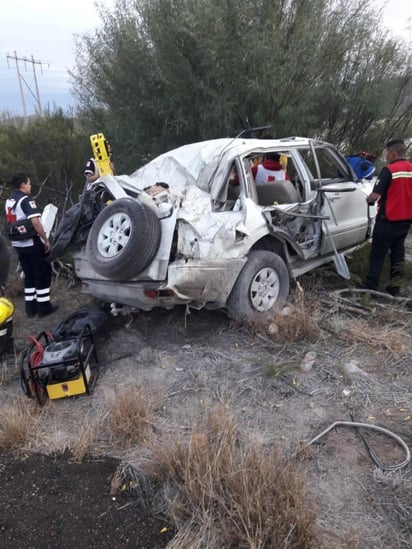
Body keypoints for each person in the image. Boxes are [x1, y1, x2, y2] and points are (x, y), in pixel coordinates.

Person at [5, 172, 58, 317]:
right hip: (31, 243)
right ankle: (44, 307)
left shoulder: (9, 201)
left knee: (29, 275)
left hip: (17, 244)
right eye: (28, 183)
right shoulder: (26, 200)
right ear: (23, 185)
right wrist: (45, 240)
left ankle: (30, 308)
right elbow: (35, 222)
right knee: (42, 273)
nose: (30, 186)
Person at [365, 139, 412, 295]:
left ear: (393, 154)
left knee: (377, 256)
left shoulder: (389, 170)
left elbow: (375, 195)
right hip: (405, 221)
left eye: (387, 153)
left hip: (388, 220)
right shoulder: (410, 169)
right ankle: (394, 288)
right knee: (398, 255)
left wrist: (369, 200)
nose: (386, 156)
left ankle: (370, 291)